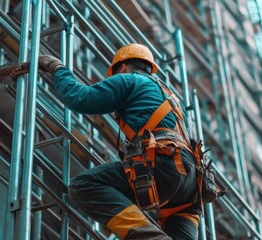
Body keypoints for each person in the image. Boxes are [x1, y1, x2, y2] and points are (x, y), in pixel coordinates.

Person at [39, 43, 201, 239]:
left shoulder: (128, 80)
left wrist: (58, 69)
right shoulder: (173, 97)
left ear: (122, 67)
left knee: (84, 186)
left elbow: (80, 98)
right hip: (190, 184)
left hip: (164, 166)